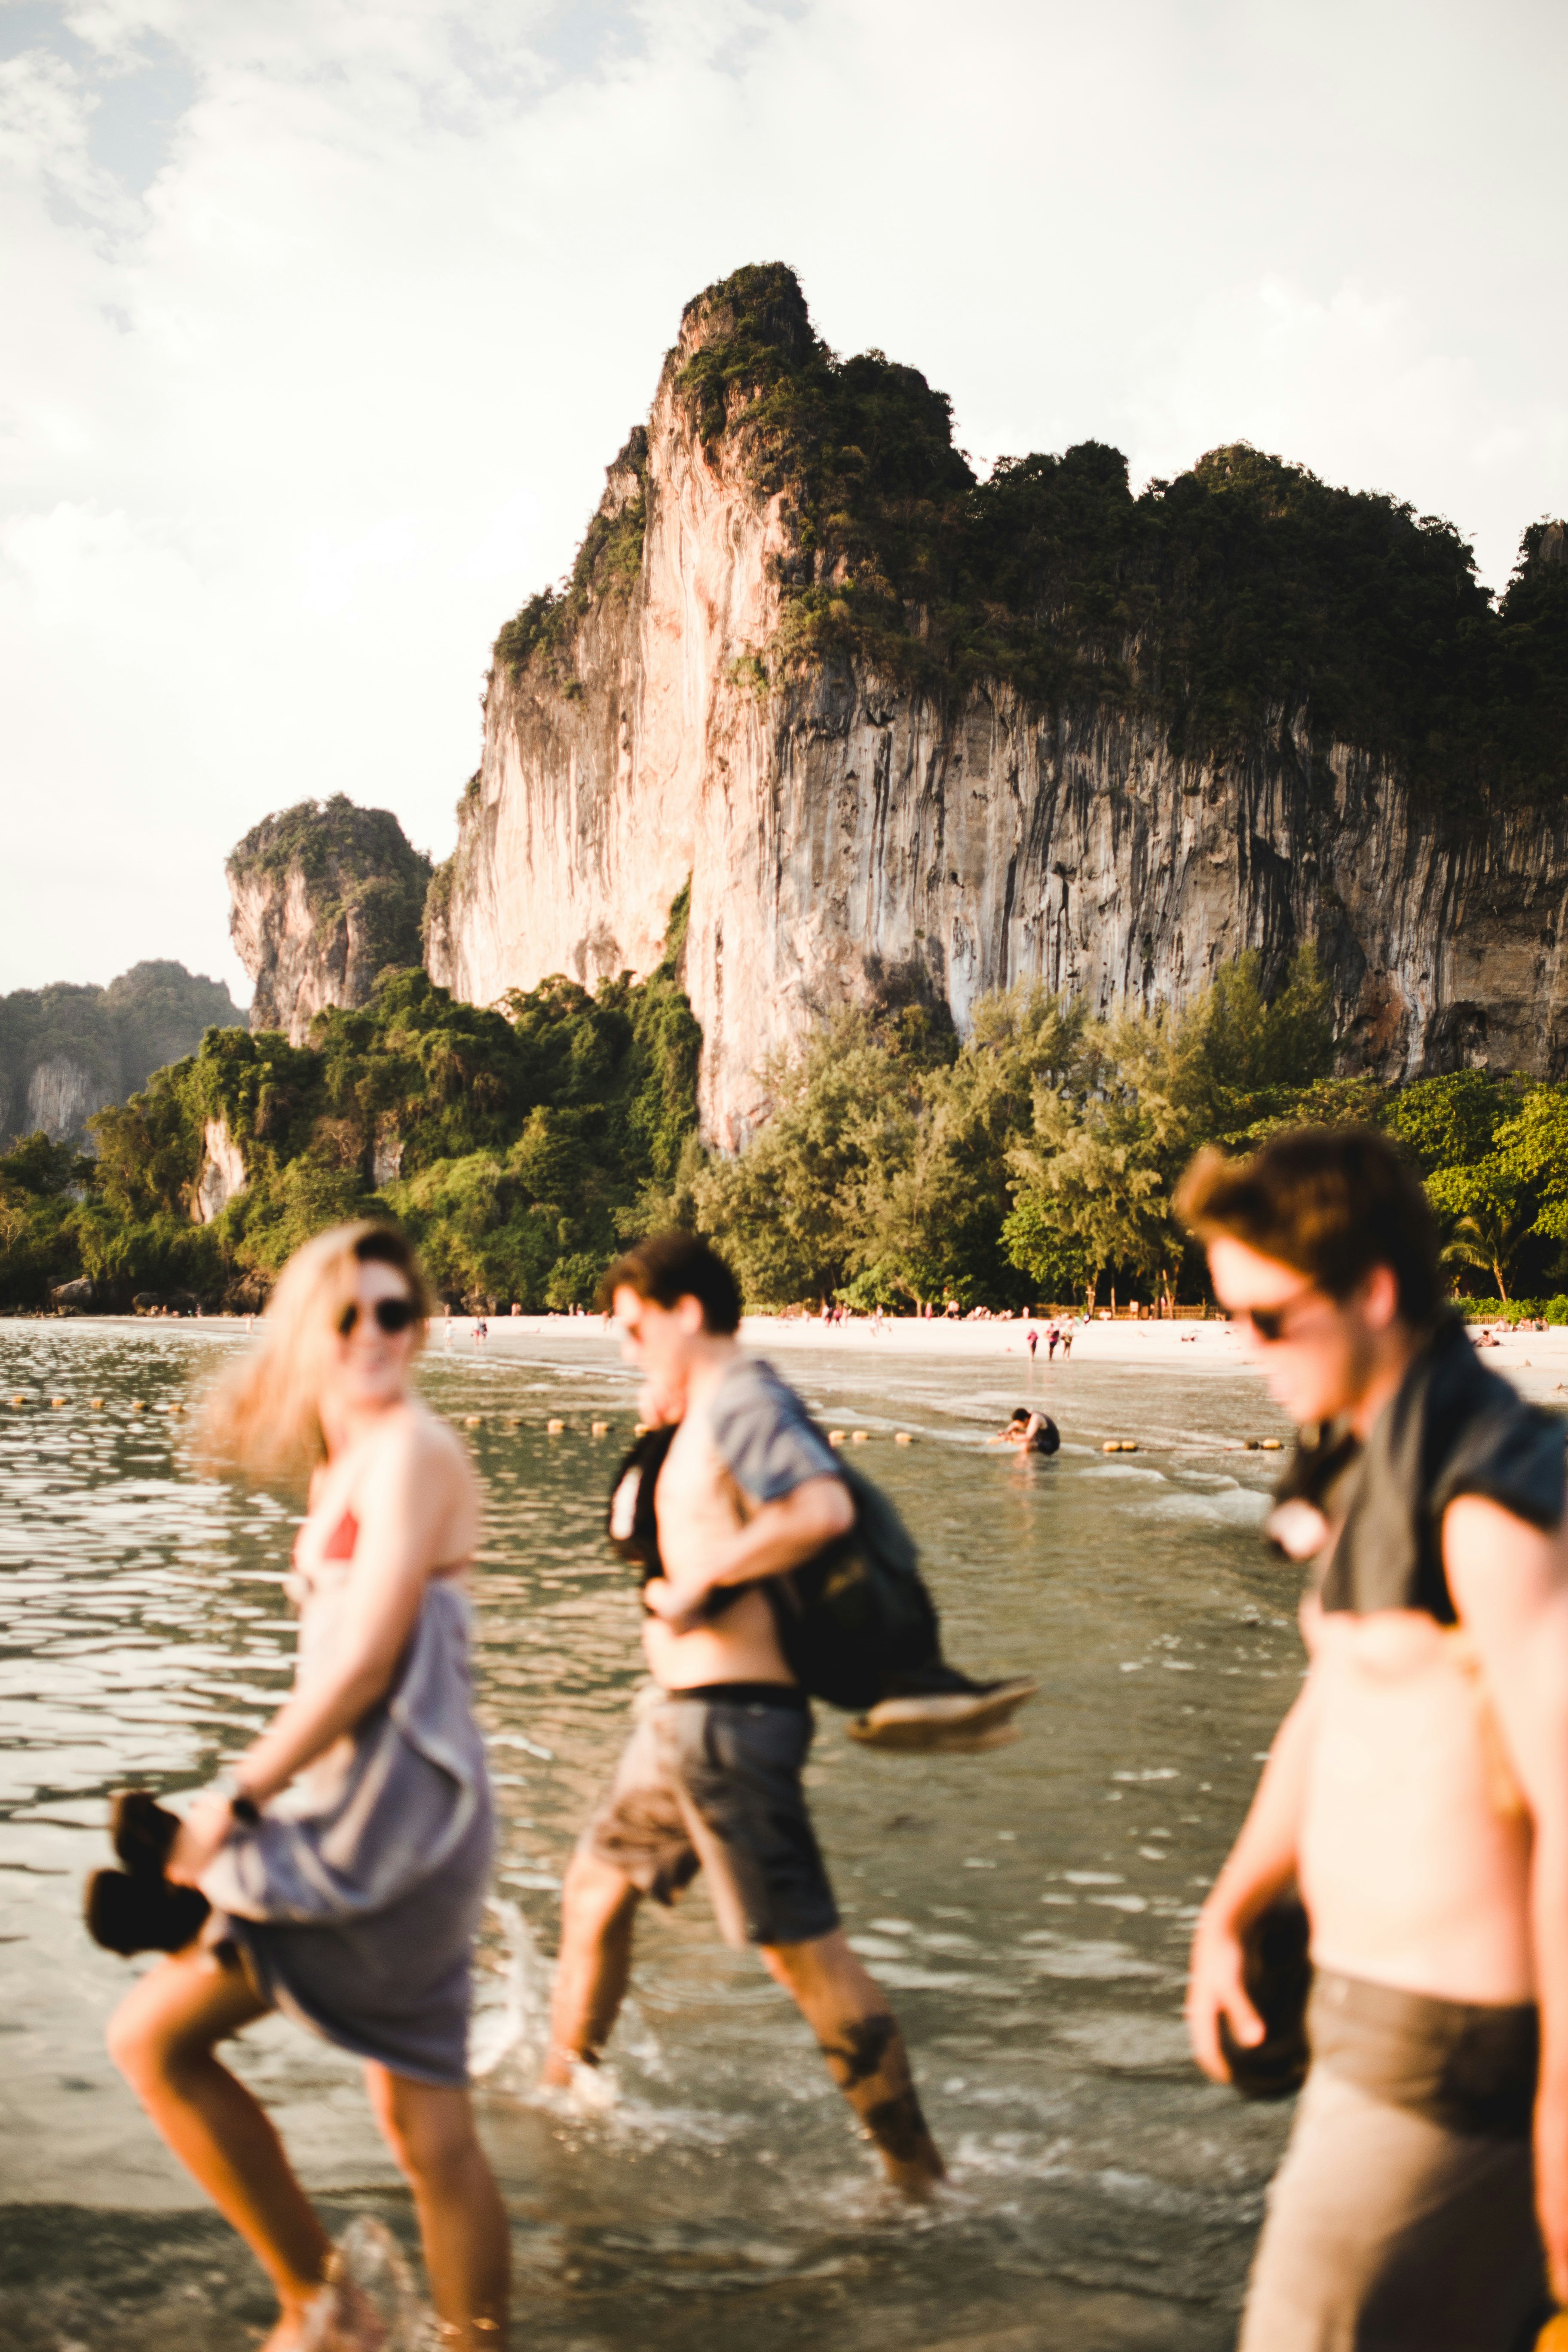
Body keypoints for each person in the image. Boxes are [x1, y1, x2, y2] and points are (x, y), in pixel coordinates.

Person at [1178, 1129, 1568, 2352]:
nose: (1249, 1352)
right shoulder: (1360, 1462)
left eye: (1271, 1319)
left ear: (1375, 1294)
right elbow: (1340, 1697)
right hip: (1368, 2024)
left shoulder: (1494, 1494)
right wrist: (1233, 1905)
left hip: (1461, 2049)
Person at [102, 1224, 508, 2352]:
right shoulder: (350, 1458)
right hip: (364, 1812)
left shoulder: (414, 1452)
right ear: (311, 1329)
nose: (375, 1334)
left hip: (400, 1826)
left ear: (419, 1330)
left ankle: (324, 2306)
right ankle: (347, 2307)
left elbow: (373, 1659)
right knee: (422, 2125)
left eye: (396, 1314)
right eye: (348, 1315)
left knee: (157, 2042)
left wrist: (235, 1801)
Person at [544, 1231, 945, 2193]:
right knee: (593, 1896)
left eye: (638, 1329)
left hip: (729, 1728)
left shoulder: (746, 1399)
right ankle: (561, 2097)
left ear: (687, 1314)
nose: (629, 1347)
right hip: (677, 1723)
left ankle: (921, 2182)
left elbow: (818, 1509)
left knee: (803, 1960)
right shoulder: (706, 1411)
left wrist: (698, 1586)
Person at [992, 1407, 1060, 1456]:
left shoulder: (1036, 1419)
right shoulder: (1027, 1415)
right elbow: (1015, 1424)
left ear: (1025, 1420)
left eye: (1020, 1423)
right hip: (1038, 1438)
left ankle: (1025, 1462)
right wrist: (1006, 1432)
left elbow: (1028, 1437)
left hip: (1050, 1443)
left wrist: (1011, 1437)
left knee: (1025, 1446)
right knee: (1016, 1434)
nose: (1019, 1425)